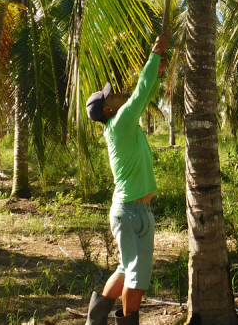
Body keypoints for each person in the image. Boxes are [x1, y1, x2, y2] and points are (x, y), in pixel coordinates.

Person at [84, 33, 169, 325]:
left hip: (129, 211)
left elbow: (144, 94)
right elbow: (140, 93)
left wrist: (158, 73)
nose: (117, 93)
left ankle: (93, 322)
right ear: (108, 109)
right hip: (133, 212)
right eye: (111, 95)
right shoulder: (119, 123)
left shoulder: (119, 126)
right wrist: (154, 55)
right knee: (136, 275)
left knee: (124, 269)